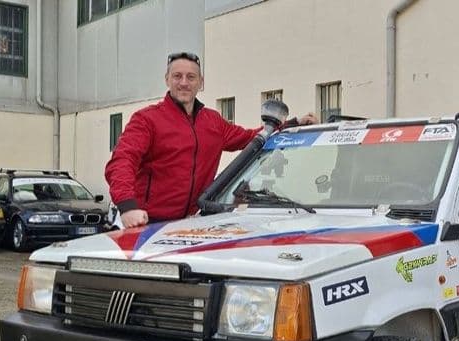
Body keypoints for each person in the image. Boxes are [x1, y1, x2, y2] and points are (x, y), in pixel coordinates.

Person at [106, 51, 318, 228]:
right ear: (167, 79)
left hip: (189, 224)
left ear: (201, 82)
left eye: (191, 77)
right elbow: (122, 161)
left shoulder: (213, 122)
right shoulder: (147, 119)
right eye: (177, 76)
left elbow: (250, 139)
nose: (183, 83)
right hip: (144, 221)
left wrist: (290, 124)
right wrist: (128, 206)